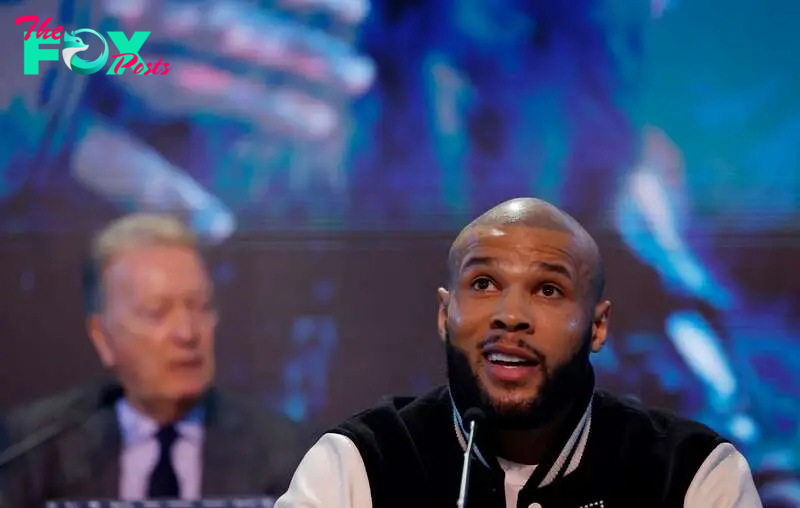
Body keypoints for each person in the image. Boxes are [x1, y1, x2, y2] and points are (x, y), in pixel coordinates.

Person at [274, 197, 763, 508]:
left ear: (597, 326)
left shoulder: (693, 475)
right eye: (484, 283)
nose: (511, 315)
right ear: (446, 315)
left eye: (548, 289)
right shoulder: (357, 465)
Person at [1, 213, 307, 506]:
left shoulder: (287, 454)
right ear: (102, 337)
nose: (187, 333)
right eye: (156, 312)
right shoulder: (31, 451)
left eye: (200, 306)